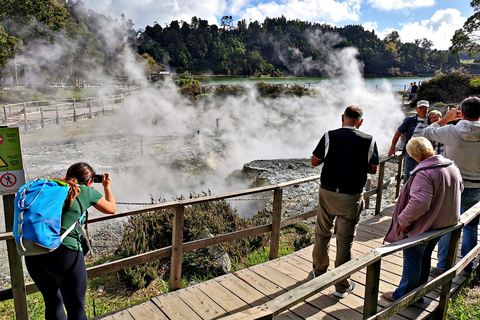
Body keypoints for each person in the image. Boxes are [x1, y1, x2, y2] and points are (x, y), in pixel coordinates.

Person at [24, 162, 116, 320]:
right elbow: (111, 208)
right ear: (89, 181)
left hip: (34, 253)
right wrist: (107, 187)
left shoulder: (52, 188)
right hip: (64, 256)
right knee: (75, 307)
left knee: (52, 303)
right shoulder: (86, 191)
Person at [311, 105, 379, 298]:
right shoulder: (369, 139)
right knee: (345, 240)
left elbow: (314, 162)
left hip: (328, 192)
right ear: (360, 121)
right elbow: (373, 169)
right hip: (351, 196)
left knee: (322, 232)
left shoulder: (329, 136)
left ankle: (319, 271)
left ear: (343, 118)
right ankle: (341, 286)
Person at [382, 137, 462, 301]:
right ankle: (418, 293)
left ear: (412, 155)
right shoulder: (451, 165)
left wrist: (403, 221)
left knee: (412, 259)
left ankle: (403, 296)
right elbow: (460, 188)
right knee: (424, 257)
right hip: (444, 224)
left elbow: (420, 203)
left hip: (425, 227)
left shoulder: (423, 172)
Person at [423, 97, 480, 276]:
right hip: (477, 187)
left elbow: (426, 132)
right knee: (471, 226)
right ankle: (468, 265)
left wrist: (445, 119)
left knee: (447, 226)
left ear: (460, 113)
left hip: (453, 186)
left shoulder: (449, 130)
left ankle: (443, 266)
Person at [388, 100, 430, 183]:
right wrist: (392, 149)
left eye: (425, 108)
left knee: (425, 177)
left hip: (427, 153)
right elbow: (398, 133)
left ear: (428, 109)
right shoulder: (409, 120)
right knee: (408, 175)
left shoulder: (431, 120)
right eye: (421, 108)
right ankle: (406, 194)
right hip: (411, 152)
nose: (423, 110)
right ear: (416, 109)